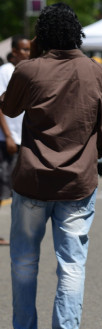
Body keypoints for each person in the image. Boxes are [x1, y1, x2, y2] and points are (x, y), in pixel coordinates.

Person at [1, 3, 102, 329]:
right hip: (78, 183)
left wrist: (32, 60)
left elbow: (9, 108)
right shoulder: (95, 72)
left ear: (41, 37)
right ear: (77, 34)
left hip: (32, 180)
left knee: (23, 262)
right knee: (71, 264)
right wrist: (91, 155)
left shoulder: (29, 69)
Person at [0, 36, 31, 246]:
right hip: (7, 139)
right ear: (14, 51)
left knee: (19, 189)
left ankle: (20, 232)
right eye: (23, 50)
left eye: (29, 50)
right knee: (2, 188)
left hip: (23, 138)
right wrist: (9, 136)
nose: (27, 53)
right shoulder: (5, 72)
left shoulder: (25, 72)